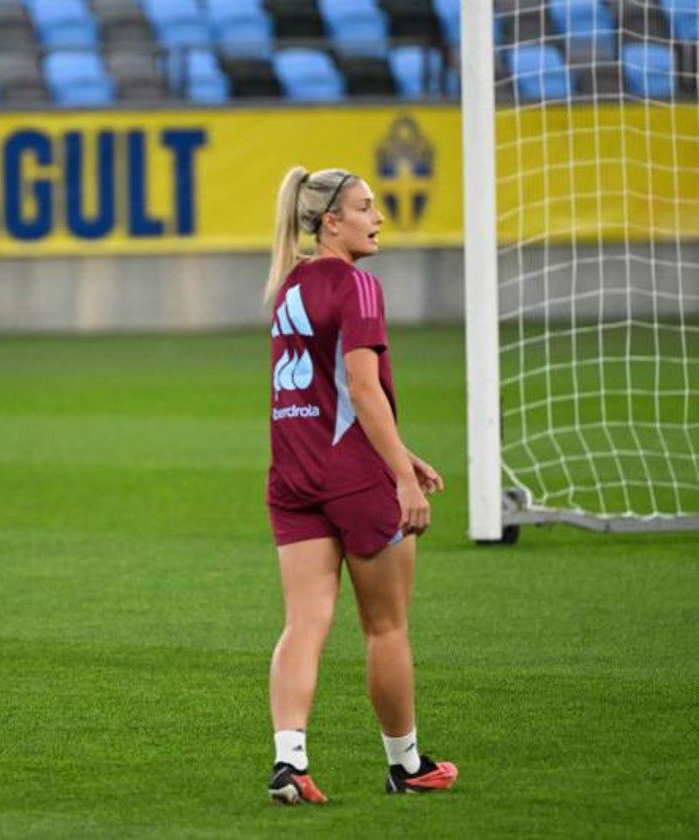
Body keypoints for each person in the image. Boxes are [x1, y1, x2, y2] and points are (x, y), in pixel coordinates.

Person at [262, 167, 458, 804]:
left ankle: (289, 759)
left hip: (294, 472)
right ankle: (406, 765)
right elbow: (363, 387)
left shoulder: (289, 284)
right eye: (366, 208)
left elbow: (328, 395)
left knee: (304, 623)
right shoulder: (357, 284)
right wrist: (402, 478)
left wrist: (404, 452)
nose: (378, 218)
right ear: (330, 222)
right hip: (354, 478)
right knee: (385, 627)